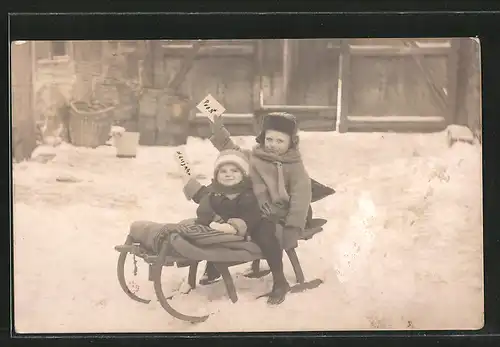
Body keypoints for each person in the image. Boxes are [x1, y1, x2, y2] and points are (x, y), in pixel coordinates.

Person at [184, 112, 313, 303]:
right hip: (252, 208)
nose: (273, 144)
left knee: (264, 233)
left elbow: (301, 197)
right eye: (269, 139)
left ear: (291, 142)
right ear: (262, 138)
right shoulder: (255, 157)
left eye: (280, 141)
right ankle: (214, 262)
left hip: (281, 213)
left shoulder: (294, 166)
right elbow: (230, 150)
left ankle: (280, 281)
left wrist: (293, 226)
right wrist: (217, 129)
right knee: (220, 214)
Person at [197, 149, 291, 305]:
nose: (228, 174)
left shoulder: (248, 192)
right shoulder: (214, 192)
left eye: (234, 170)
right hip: (228, 226)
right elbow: (203, 208)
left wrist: (236, 226)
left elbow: (250, 214)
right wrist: (210, 218)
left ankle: (280, 280)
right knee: (210, 233)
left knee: (266, 238)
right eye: (223, 171)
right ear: (216, 175)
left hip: (256, 220)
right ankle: (213, 266)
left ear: (243, 174)